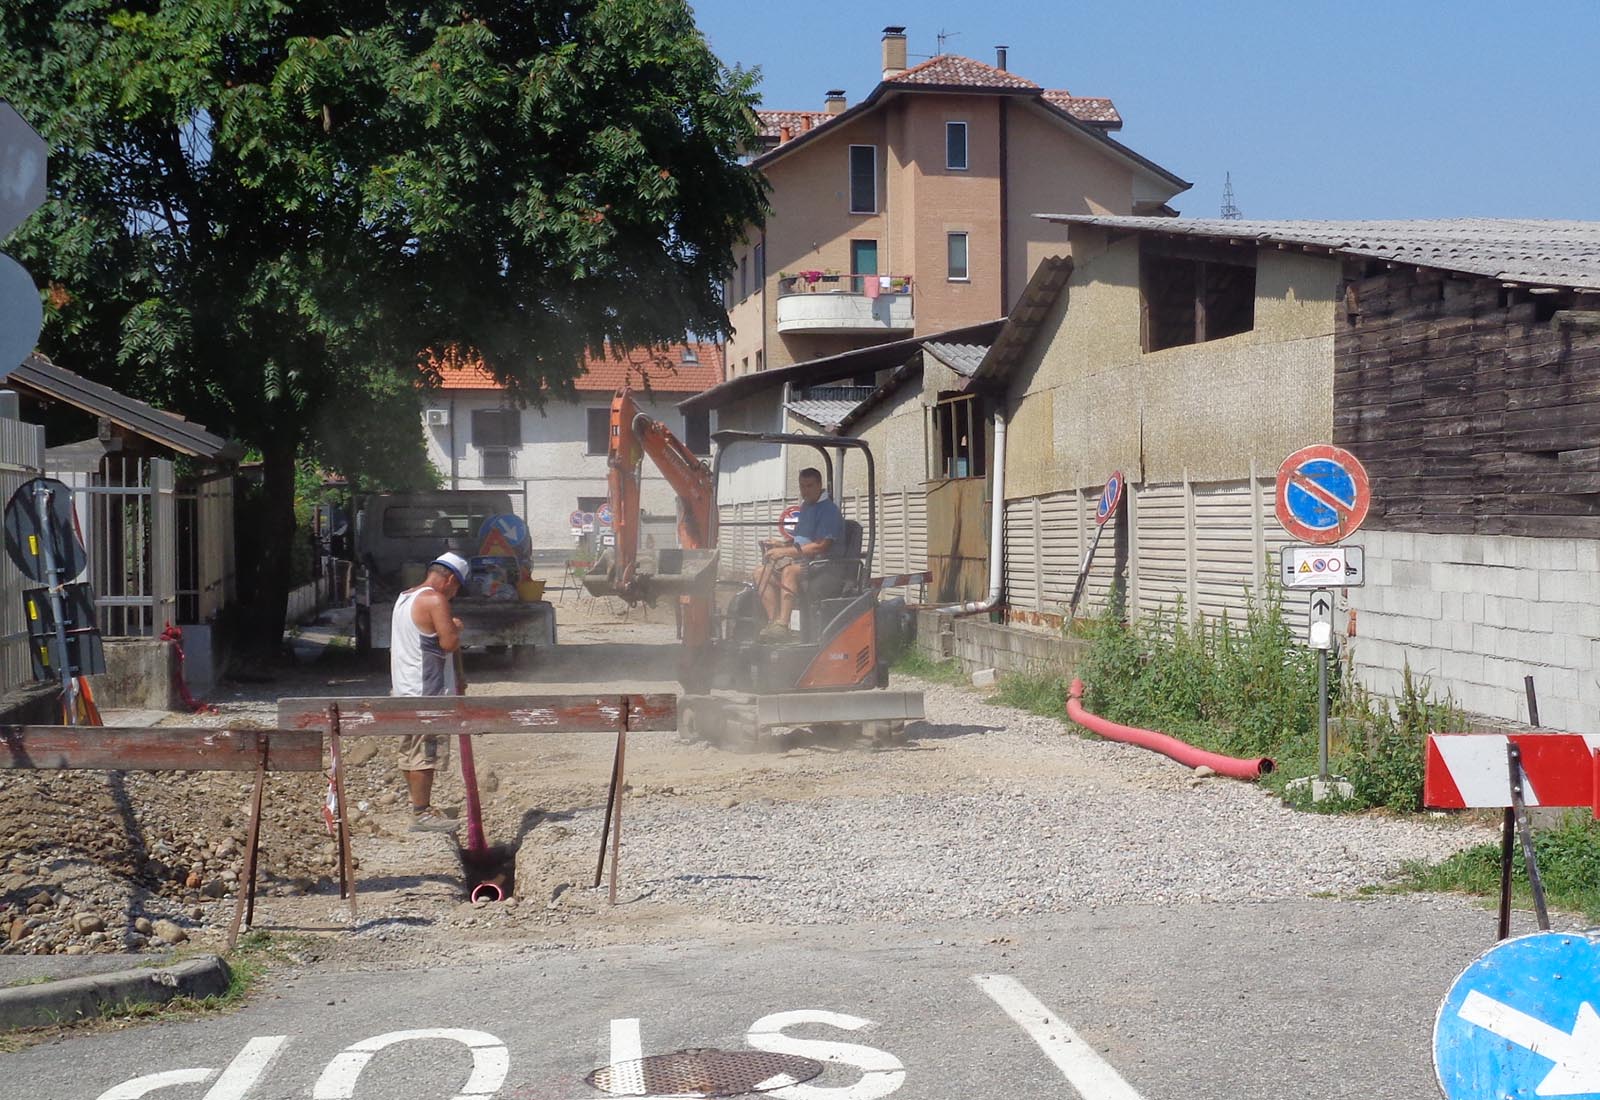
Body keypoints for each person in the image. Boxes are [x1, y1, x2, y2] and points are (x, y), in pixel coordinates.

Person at [391, 550, 469, 832]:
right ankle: (422, 814)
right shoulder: (434, 600)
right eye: (456, 588)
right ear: (449, 579)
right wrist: (455, 627)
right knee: (426, 752)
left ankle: (418, 806)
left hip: (404, 690)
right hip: (428, 692)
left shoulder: (405, 598)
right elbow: (448, 643)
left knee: (410, 751)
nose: (453, 595)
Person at [751, 467, 844, 640]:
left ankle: (783, 625)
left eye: (809, 486)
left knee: (789, 571)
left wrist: (785, 552)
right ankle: (774, 623)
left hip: (824, 565)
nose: (805, 491)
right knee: (760, 572)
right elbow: (801, 541)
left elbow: (820, 546)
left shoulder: (829, 510)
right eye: (802, 486)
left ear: (819, 485)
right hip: (805, 561)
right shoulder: (806, 507)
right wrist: (780, 544)